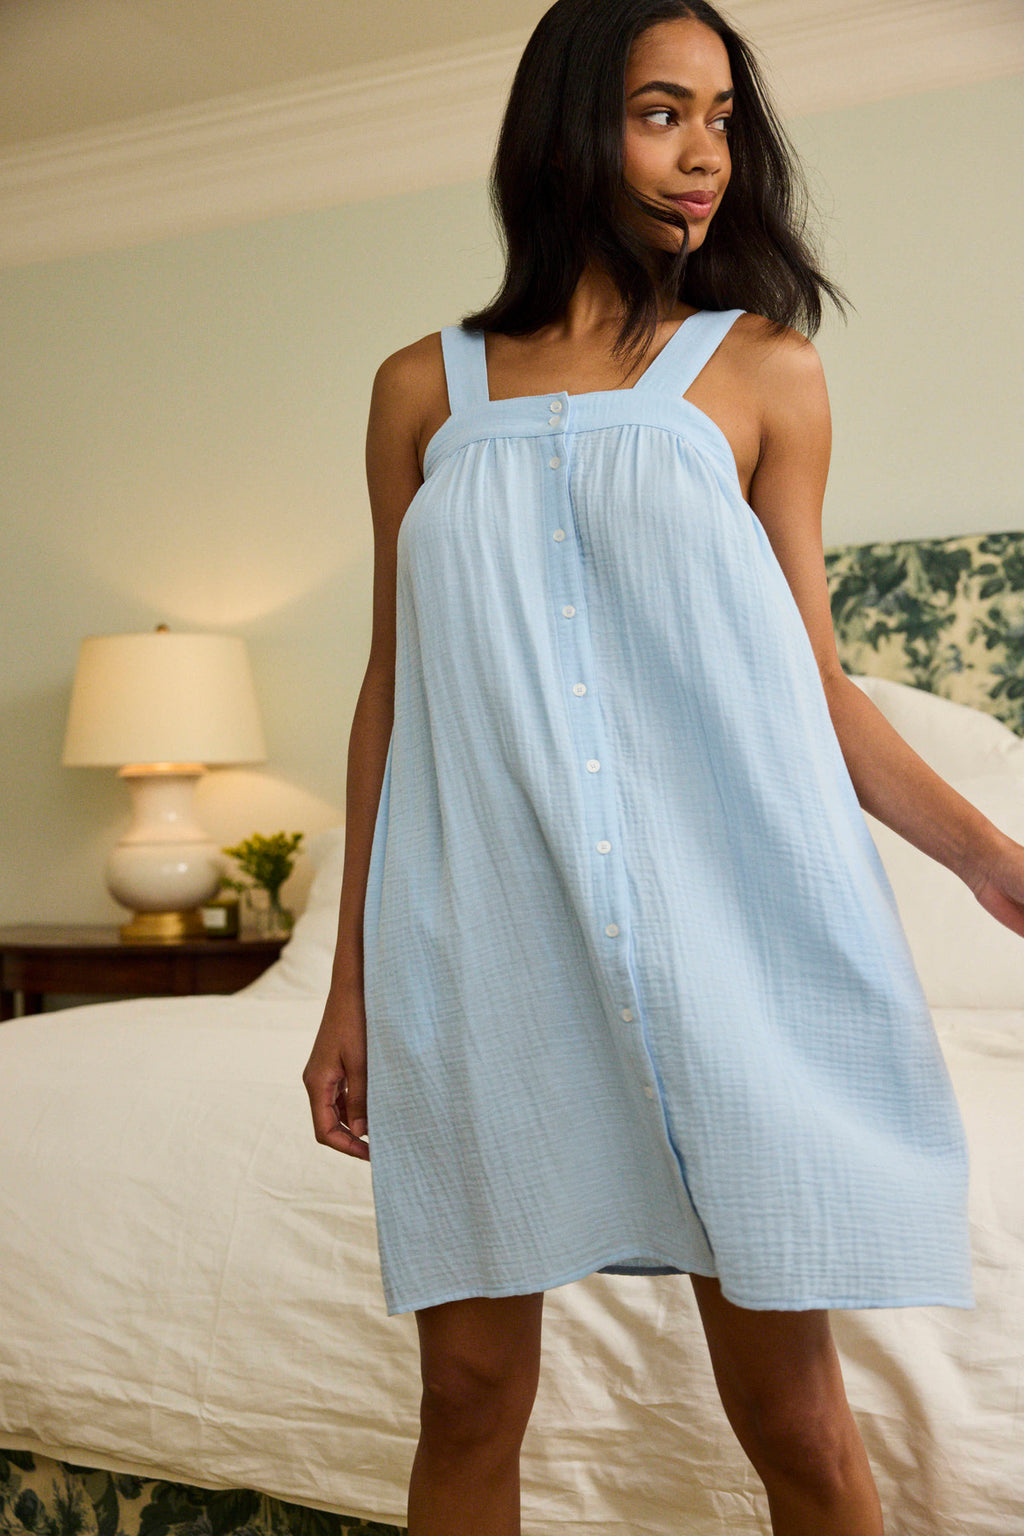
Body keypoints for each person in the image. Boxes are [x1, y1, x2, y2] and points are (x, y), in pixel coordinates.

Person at [303, 2, 1024, 1531]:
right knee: (469, 1397)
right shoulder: (421, 392)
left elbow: (811, 685)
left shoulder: (764, 371)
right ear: (572, 123)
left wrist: (986, 851)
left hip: (726, 948)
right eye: (659, 111)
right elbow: (394, 691)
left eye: (721, 117)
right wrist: (350, 980)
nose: (705, 153)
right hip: (483, 952)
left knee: (795, 1417)